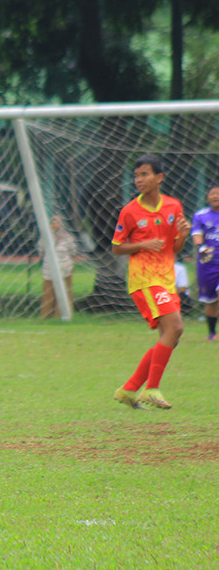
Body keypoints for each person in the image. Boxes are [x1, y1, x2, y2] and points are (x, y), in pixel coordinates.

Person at [111, 154, 190, 410]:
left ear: (159, 177)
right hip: (144, 279)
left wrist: (184, 236)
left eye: (144, 174)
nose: (139, 180)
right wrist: (143, 244)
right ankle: (151, 389)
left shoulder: (173, 206)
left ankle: (129, 389)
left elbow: (175, 248)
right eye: (136, 175)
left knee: (170, 336)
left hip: (166, 278)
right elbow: (117, 248)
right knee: (175, 327)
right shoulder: (130, 211)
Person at [191, 186, 219, 340]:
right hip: (207, 264)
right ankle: (212, 333)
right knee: (211, 301)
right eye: (213, 193)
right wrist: (201, 248)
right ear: (208, 197)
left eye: (218, 194)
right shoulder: (200, 215)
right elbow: (197, 235)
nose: (216, 196)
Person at [38, 215, 78, 319]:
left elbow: (73, 251)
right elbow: (41, 251)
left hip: (65, 268)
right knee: (48, 292)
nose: (54, 225)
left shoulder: (67, 238)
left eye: (56, 222)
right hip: (49, 269)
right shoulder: (45, 237)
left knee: (65, 291)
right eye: (52, 223)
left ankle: (62, 315)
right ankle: (45, 315)